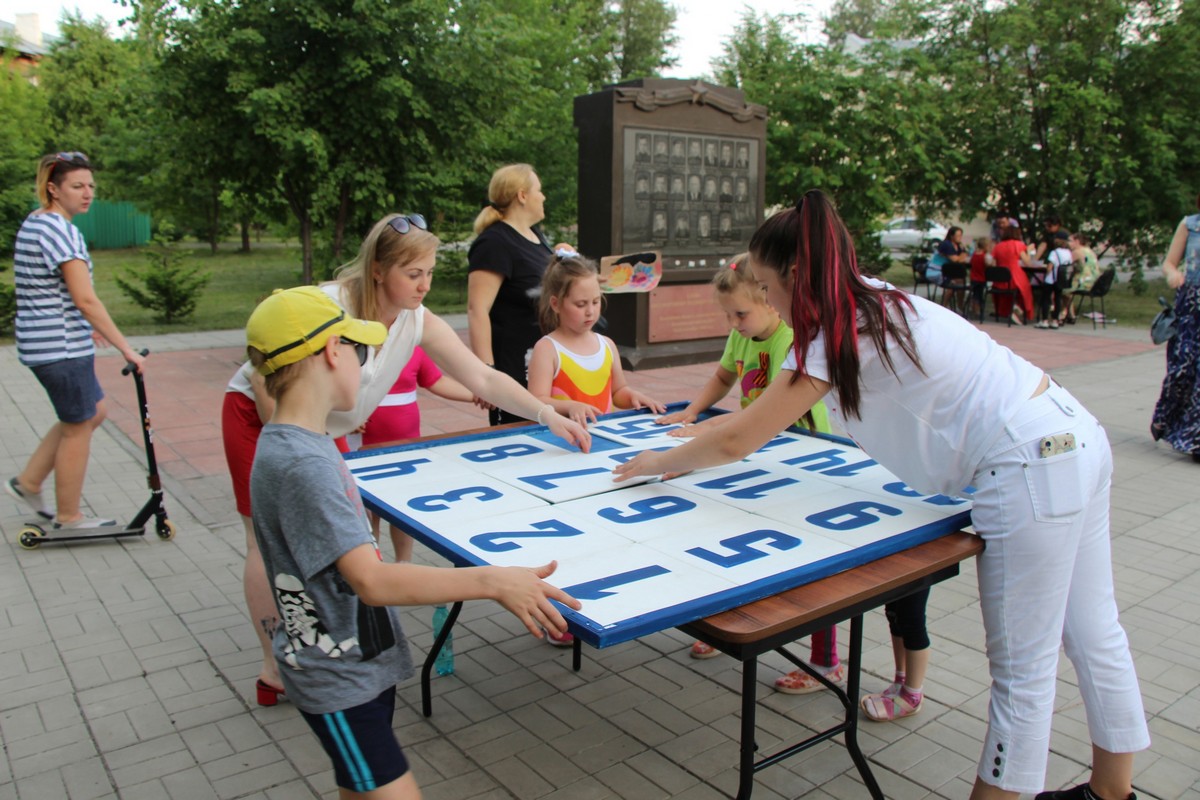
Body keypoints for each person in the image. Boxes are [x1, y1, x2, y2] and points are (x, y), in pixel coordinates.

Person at [614, 191, 1149, 800]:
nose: (766, 299)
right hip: (1073, 436)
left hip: (1026, 464)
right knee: (1095, 632)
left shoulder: (831, 333)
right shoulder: (873, 299)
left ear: (795, 274)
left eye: (765, 286)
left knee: (1022, 670)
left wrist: (658, 463)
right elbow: (751, 423)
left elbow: (741, 438)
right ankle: (1112, 792)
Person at [223, 212, 591, 707]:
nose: (425, 285)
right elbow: (268, 377)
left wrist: (545, 413)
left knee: (342, 544)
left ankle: (337, 640)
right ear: (377, 269)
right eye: (413, 273)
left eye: (431, 273)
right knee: (266, 541)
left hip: (321, 429)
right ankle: (276, 667)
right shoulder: (328, 306)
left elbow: (482, 377)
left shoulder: (416, 317)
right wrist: (296, 443)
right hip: (267, 418)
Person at [243, 285, 583, 800]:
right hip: (339, 681)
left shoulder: (298, 441)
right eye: (359, 351)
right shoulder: (303, 463)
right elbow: (372, 581)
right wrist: (494, 581)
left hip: (357, 666)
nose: (367, 368)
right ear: (332, 352)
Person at [654, 255, 842, 691]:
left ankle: (825, 661)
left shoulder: (788, 341)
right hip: (759, 450)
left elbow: (766, 411)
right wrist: (693, 411)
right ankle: (732, 617)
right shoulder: (742, 337)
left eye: (740, 314)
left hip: (800, 452)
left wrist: (709, 429)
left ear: (770, 302)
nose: (734, 324)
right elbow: (722, 378)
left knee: (813, 555)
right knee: (735, 535)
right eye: (727, 315)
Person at [7, 152, 147, 530]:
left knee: (91, 412)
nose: (87, 194)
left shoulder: (37, 222)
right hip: (61, 348)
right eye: (77, 186)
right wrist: (126, 348)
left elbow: (53, 290)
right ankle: (69, 516)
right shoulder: (60, 231)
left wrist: (88, 325)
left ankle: (28, 482)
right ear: (53, 189)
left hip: (45, 343)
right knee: (77, 426)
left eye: (91, 186)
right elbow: (85, 299)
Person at [358, 346, 481, 562]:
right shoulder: (357, 347)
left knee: (401, 510)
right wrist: (347, 416)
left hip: (405, 447)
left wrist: (476, 395)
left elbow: (436, 381)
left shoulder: (411, 347)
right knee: (367, 514)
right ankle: (373, 564)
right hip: (363, 447)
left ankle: (404, 563)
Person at [527, 249, 666, 427]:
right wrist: (570, 406)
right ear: (556, 304)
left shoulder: (607, 345)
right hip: (561, 437)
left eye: (595, 301)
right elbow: (536, 402)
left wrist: (633, 397)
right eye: (580, 304)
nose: (590, 311)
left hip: (604, 436)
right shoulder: (547, 349)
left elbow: (618, 391)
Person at [467, 164, 555, 425]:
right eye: (539, 190)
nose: (543, 197)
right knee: (520, 433)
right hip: (514, 366)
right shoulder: (495, 242)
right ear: (522, 195)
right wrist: (487, 373)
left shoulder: (535, 235)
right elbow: (477, 309)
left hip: (543, 361)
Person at [1150, 201, 1200, 463]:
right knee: (1181, 371)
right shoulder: (1190, 224)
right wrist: (1173, 274)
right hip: (1190, 308)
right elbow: (1169, 263)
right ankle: (1164, 418)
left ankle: (1195, 440)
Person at [990, 221, 1036, 325]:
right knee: (1025, 289)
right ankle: (1018, 308)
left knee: (1008, 292)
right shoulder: (1018, 244)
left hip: (1000, 279)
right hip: (1015, 276)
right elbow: (1027, 262)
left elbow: (993, 263)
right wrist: (1028, 250)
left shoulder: (998, 246)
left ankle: (1012, 309)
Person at [1059, 233, 1100, 325]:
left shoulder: (1077, 252)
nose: (1068, 243)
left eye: (1070, 241)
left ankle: (1062, 314)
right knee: (1067, 290)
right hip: (1093, 281)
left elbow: (1063, 264)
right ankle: (1071, 315)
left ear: (1077, 241)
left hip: (1083, 281)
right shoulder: (1088, 251)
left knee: (1062, 289)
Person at [969, 236, 994, 319]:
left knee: (974, 294)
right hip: (981, 278)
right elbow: (988, 264)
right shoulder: (985, 256)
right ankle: (977, 311)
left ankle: (973, 309)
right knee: (979, 295)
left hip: (973, 278)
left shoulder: (974, 254)